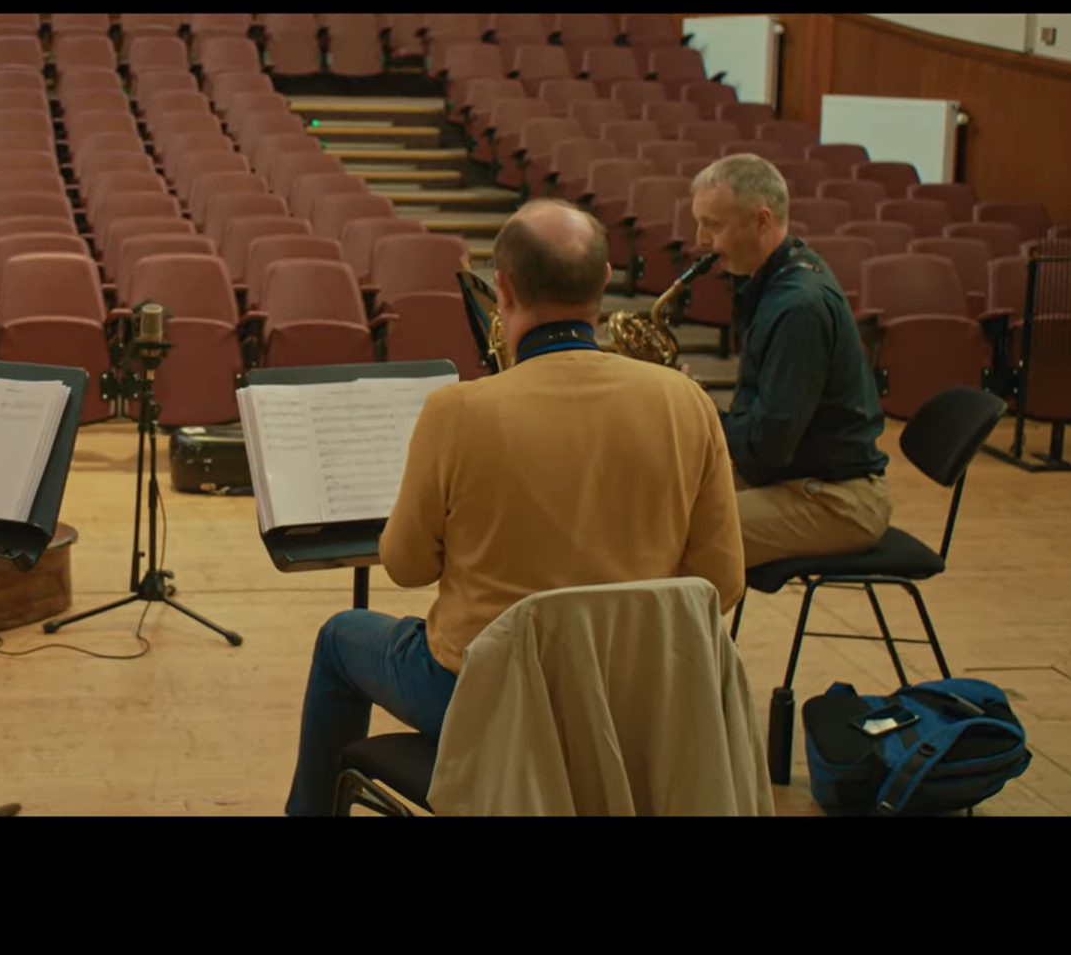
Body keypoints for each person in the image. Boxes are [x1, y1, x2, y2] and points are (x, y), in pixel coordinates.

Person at [283, 199, 746, 816]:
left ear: (501, 287)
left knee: (341, 636)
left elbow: (407, 566)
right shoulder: (686, 401)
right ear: (606, 280)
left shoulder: (458, 411)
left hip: (485, 696)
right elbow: (722, 582)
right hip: (634, 698)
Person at [689, 154, 891, 569]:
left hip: (836, 499)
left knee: (675, 532)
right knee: (655, 505)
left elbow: (769, 445)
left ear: (761, 221)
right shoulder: (777, 279)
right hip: (797, 478)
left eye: (713, 225)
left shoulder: (798, 307)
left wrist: (697, 412)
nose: (701, 240)